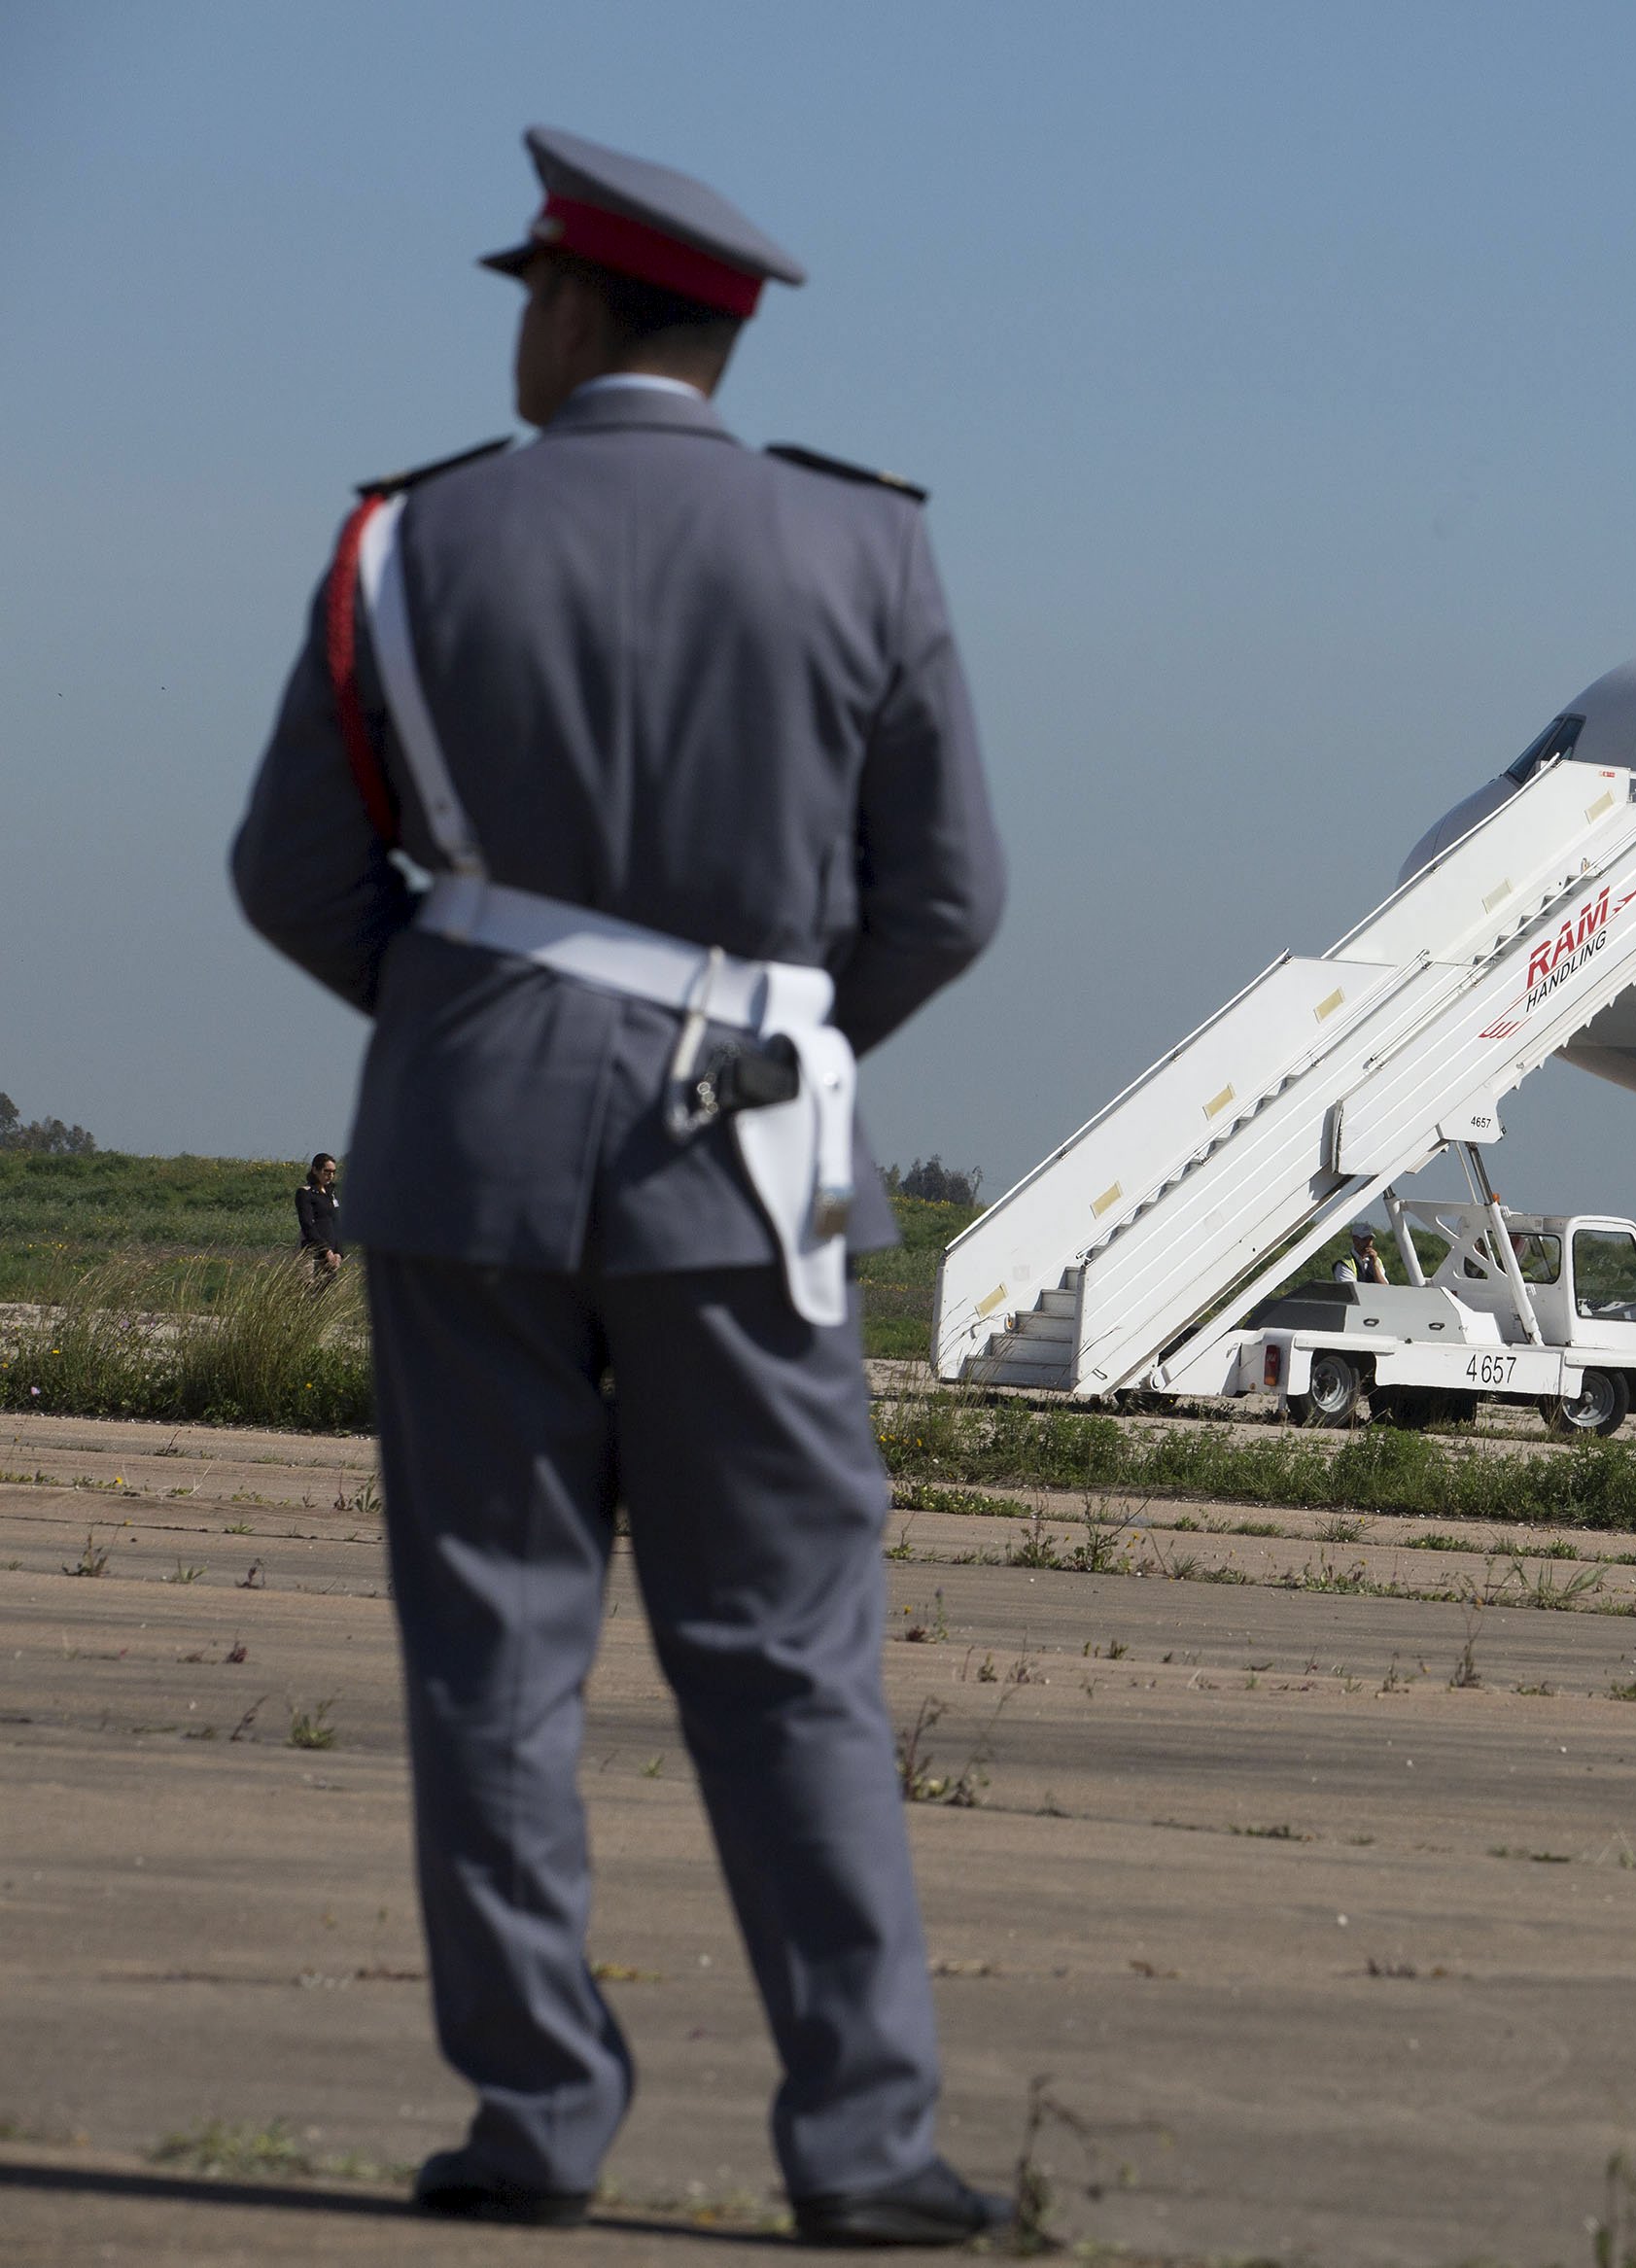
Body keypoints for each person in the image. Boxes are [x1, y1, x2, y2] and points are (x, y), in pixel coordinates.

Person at [228, 126, 1007, 2244]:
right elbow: (947, 898)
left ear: (577, 312)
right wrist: (779, 1034)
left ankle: (537, 2120)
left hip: (461, 1154)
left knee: (492, 1653)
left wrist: (470, 1012)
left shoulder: (405, 545)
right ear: (725, 338)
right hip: (738, 1167)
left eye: (527, 294)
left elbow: (292, 870)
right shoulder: (869, 551)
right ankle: (863, 2144)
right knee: (787, 1656)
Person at [295, 1154, 343, 1286]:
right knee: (307, 1289)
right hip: (312, 1251)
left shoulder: (332, 1193)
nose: (330, 1176)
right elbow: (307, 1224)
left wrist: (338, 1252)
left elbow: (337, 1223)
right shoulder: (305, 1193)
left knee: (327, 1290)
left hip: (332, 1253)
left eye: (333, 1172)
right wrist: (325, 1250)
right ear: (315, 1170)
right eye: (326, 1172)